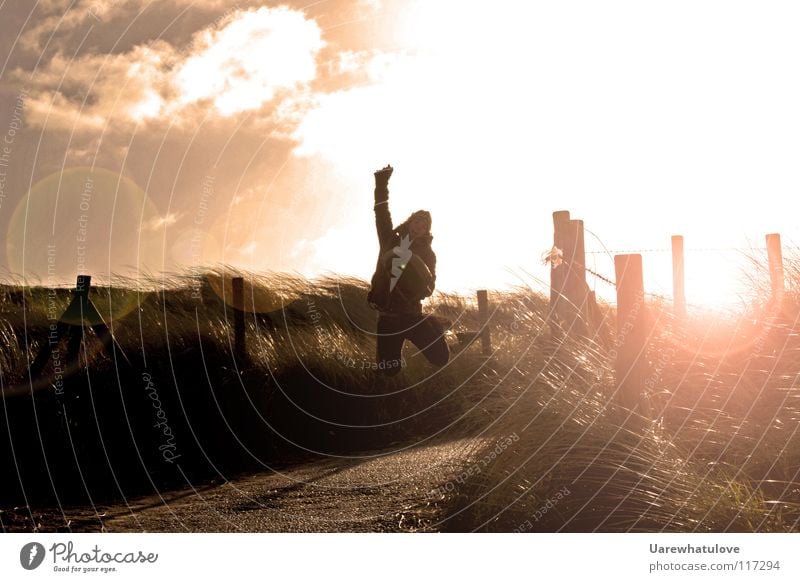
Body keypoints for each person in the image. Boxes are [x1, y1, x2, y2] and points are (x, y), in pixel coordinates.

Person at [367, 164, 449, 376]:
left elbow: (429, 288)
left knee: (441, 358)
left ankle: (434, 324)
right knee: (389, 370)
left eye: (424, 224)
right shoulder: (389, 240)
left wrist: (412, 258)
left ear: (426, 231)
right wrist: (381, 182)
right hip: (387, 317)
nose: (419, 225)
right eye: (417, 220)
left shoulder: (427, 254)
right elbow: (381, 212)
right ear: (410, 221)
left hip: (412, 316)